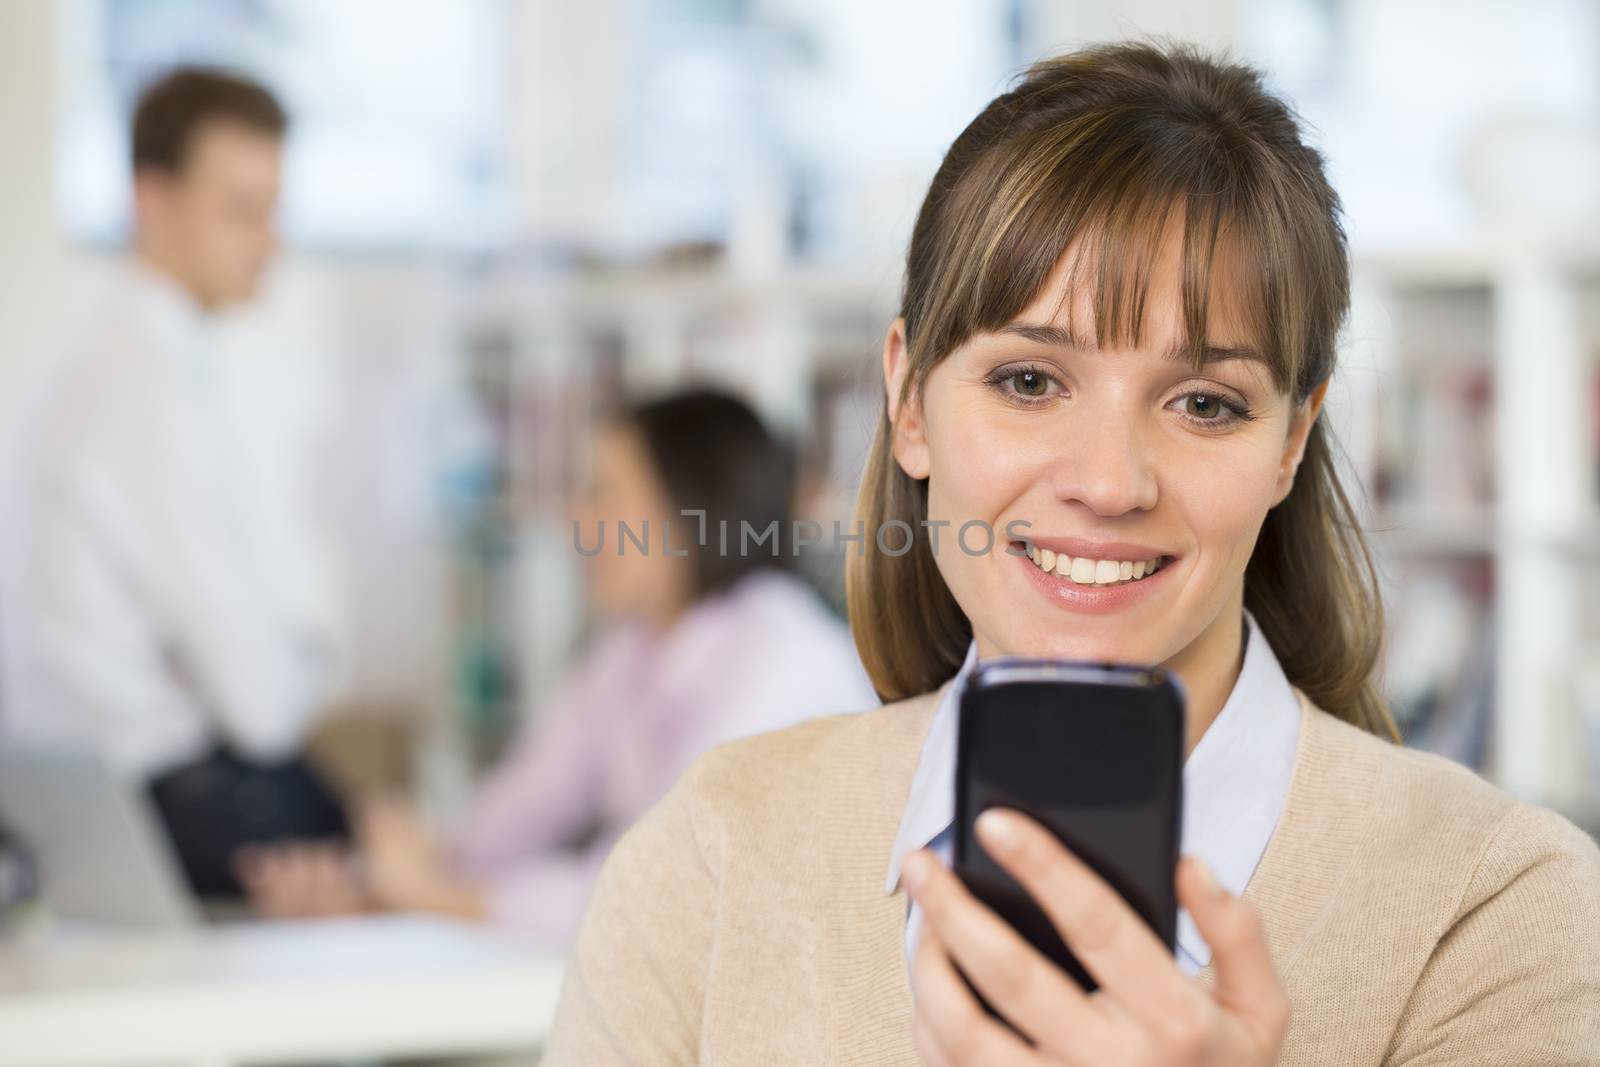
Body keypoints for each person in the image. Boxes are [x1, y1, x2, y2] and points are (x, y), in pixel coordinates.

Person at [542, 43, 1600, 1065]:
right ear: (907, 399)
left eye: (1203, 402)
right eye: (1029, 382)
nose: (1108, 480)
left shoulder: (1493, 903)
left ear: (1290, 439)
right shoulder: (718, 848)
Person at [237, 388, 880, 949]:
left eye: (603, 493)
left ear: (692, 509)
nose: (577, 519)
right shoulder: (634, 648)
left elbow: (655, 891)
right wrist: (371, 880)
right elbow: (514, 814)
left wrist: (431, 894)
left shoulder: (780, 655)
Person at [0, 68, 347, 898]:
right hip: (153, 803)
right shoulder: (142, 394)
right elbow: (261, 704)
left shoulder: (98, 363)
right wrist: (305, 658)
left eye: (273, 208)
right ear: (150, 198)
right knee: (366, 836)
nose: (270, 240)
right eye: (239, 209)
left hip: (69, 785)